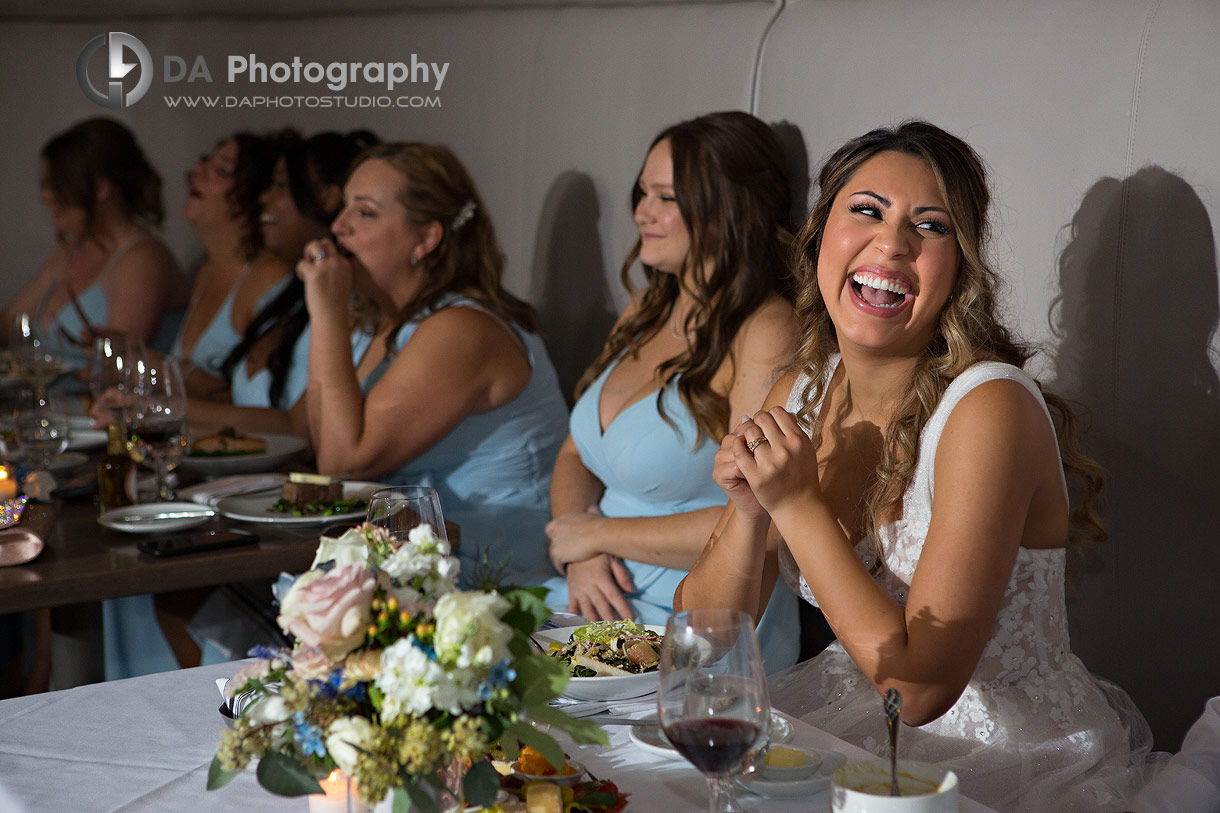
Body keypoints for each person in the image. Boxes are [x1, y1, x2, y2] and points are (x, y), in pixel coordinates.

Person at [675, 121, 1160, 810]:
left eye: (928, 226)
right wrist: (753, 512)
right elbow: (701, 637)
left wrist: (798, 504)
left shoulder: (989, 410)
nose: (894, 242)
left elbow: (921, 692)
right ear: (820, 238)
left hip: (996, 761)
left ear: (958, 268)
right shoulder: (805, 390)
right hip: (843, 720)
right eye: (867, 210)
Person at [541, 111, 801, 673]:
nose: (641, 213)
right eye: (642, 193)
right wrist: (577, 553)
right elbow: (572, 454)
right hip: (593, 591)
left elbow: (764, 519)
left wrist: (600, 534)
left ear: (727, 209)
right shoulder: (646, 310)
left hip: (695, 620)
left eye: (664, 198)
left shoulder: (764, 332)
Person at [298, 142, 568, 583]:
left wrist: (326, 314)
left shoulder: (461, 329)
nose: (337, 227)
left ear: (426, 239)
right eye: (344, 207)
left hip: (493, 568)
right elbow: (320, 435)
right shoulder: (385, 324)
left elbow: (342, 462)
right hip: (416, 552)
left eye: (364, 213)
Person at [187, 128, 380, 437]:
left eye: (280, 185)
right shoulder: (290, 299)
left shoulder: (356, 310)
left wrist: (162, 407)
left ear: (327, 199)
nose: (264, 197)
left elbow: (303, 431)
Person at [2, 117, 181, 354]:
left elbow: (116, 369)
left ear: (100, 189)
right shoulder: (71, 250)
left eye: (59, 184)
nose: (46, 196)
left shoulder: (142, 260)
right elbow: (9, 322)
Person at [169, 131, 291, 399]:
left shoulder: (268, 279)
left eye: (221, 171)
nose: (198, 172)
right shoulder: (205, 269)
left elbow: (254, 399)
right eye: (204, 163)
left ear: (254, 194)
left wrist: (158, 367)